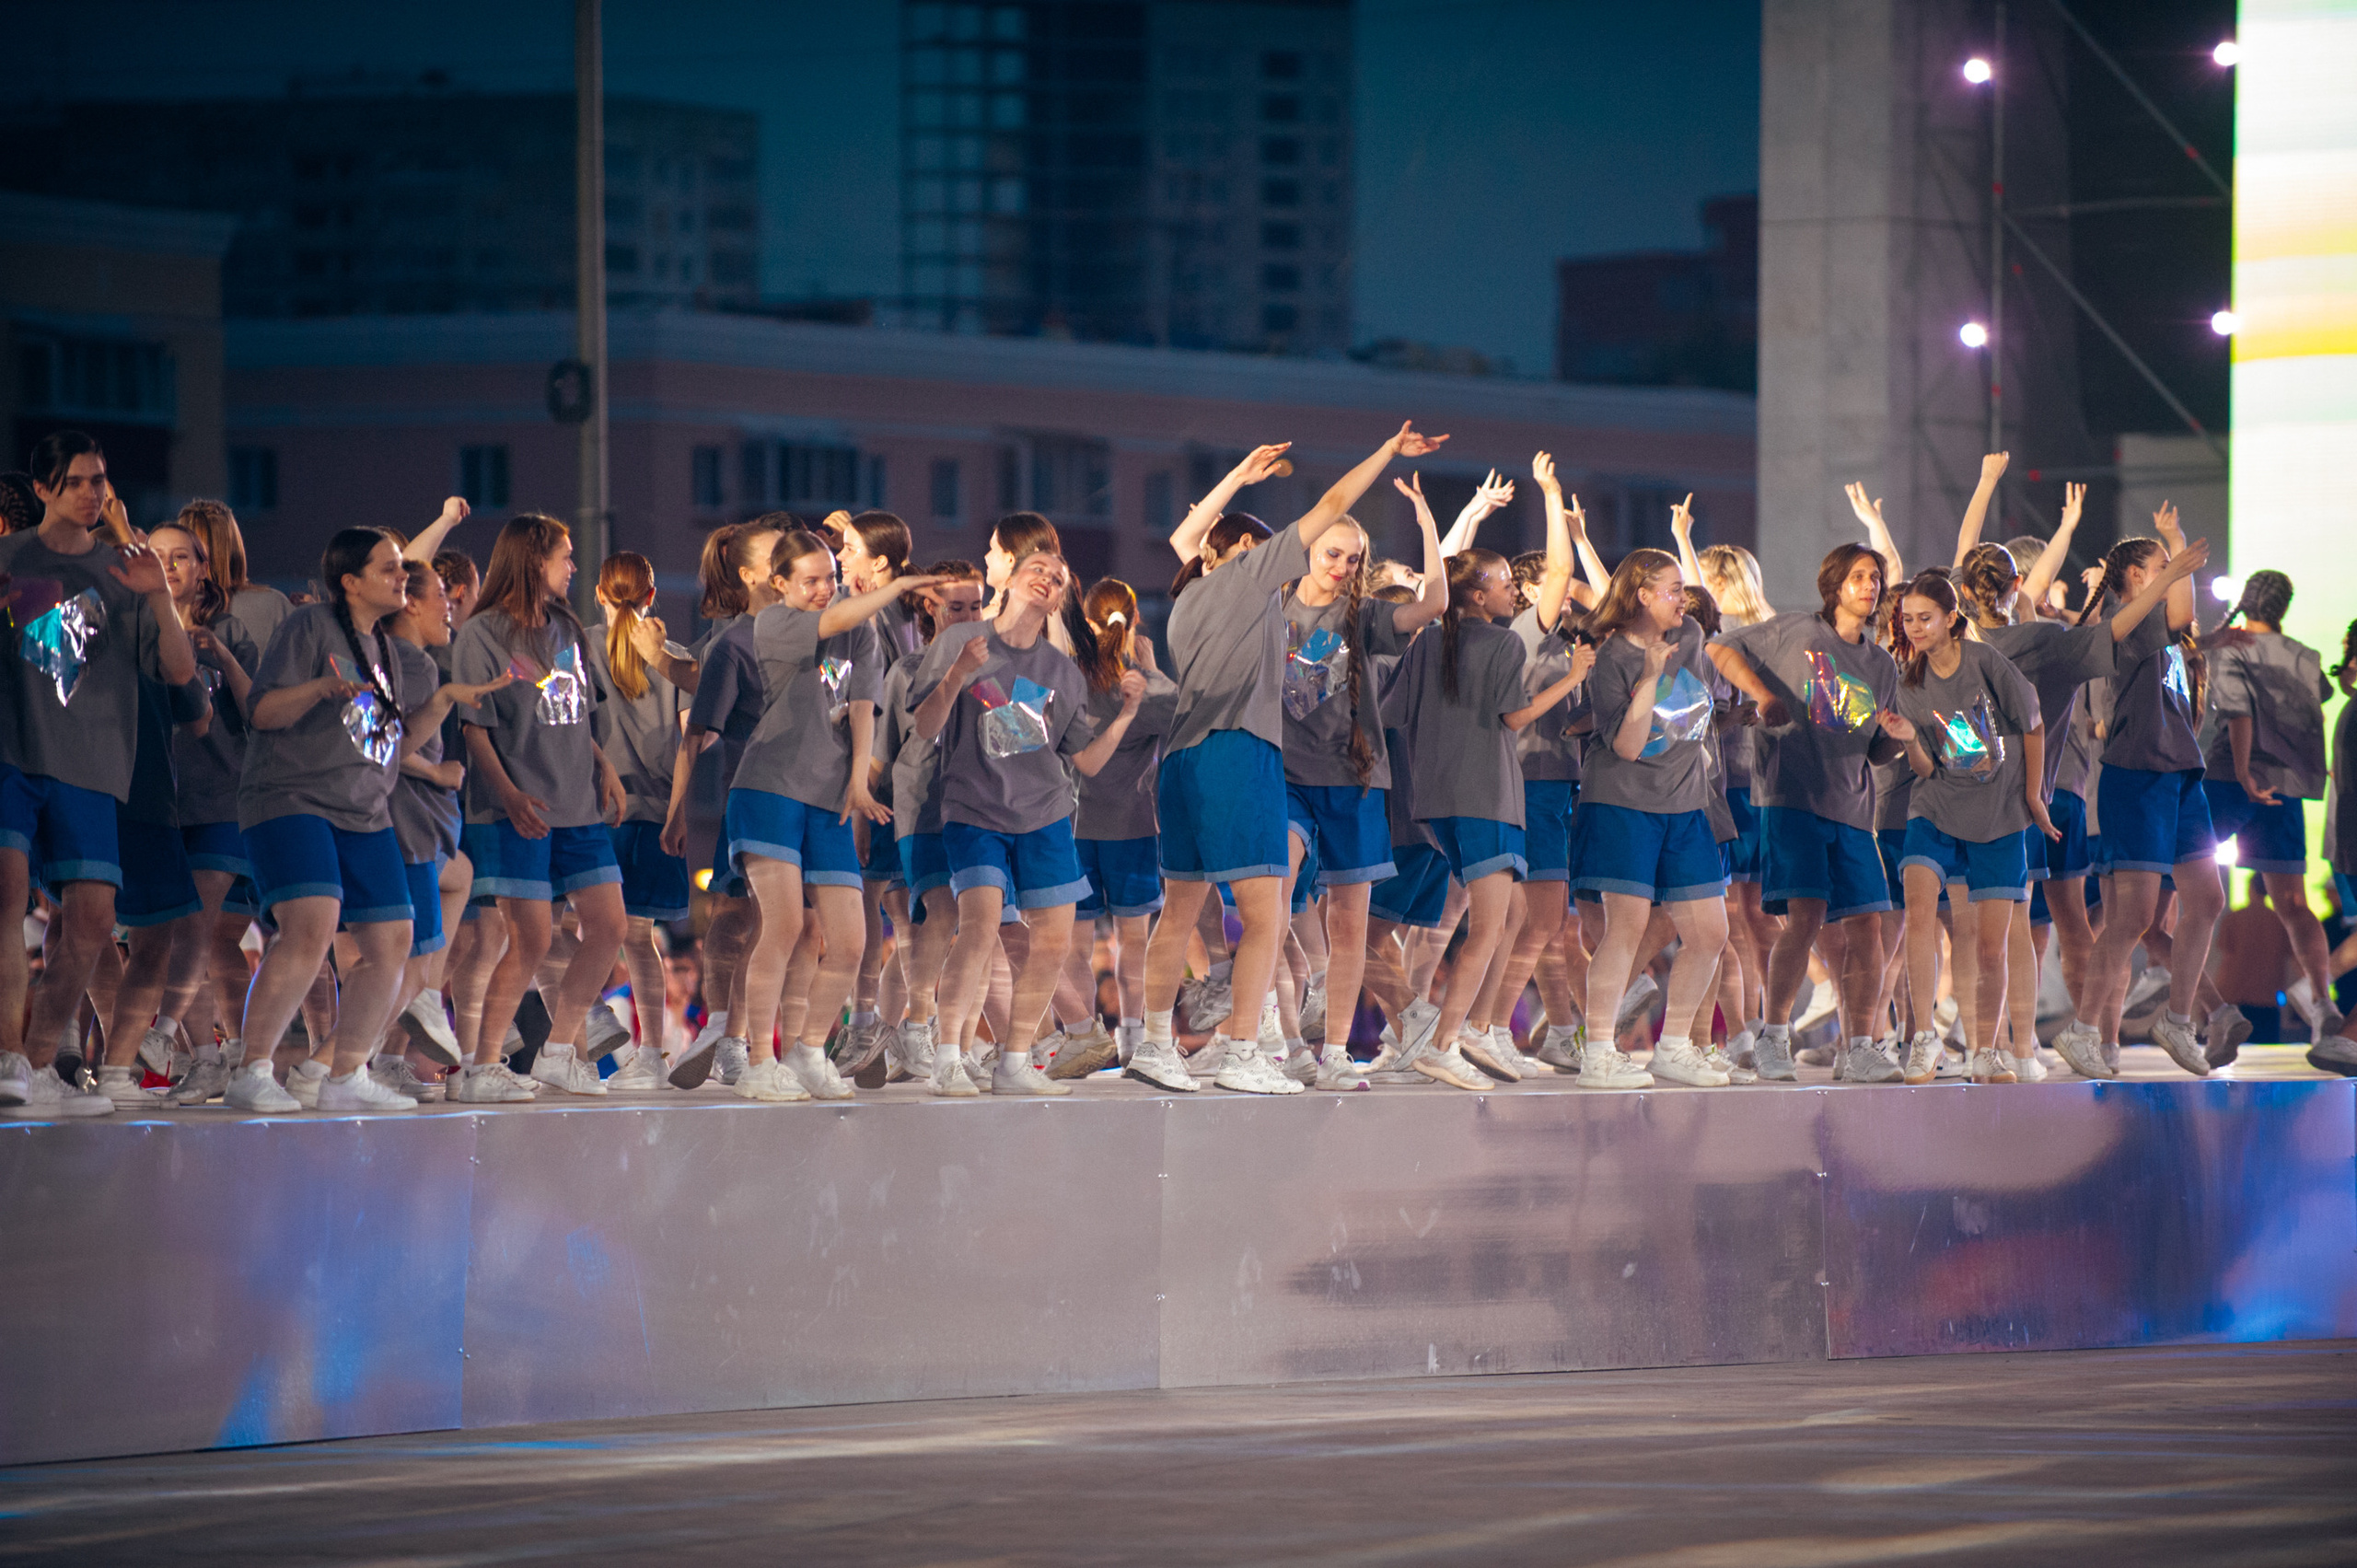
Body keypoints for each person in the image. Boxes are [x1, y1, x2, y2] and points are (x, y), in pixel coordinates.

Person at [1128, 424, 1447, 1097]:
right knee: (1267, 913)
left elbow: (1186, 540)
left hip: (1181, 756)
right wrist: (1385, 451)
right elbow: (1331, 501)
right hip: (1237, 753)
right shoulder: (1250, 579)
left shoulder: (1188, 593)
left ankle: (1155, 1044)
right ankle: (1246, 1048)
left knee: (1180, 910)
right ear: (1246, 549)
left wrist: (1240, 477)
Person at [226, 528, 506, 1112]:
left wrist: (445, 697)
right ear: (350, 582)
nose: (401, 576)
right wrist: (322, 686)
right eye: (388, 569)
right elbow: (262, 711)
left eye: (402, 569)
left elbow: (396, 742)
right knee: (311, 924)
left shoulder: (386, 652)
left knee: (394, 942)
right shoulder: (309, 629)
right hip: (292, 797)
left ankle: (346, 1073)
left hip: (362, 810)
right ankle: (251, 1070)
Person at [1952, 491, 2204, 1078]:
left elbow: (1987, 567)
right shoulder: (2030, 640)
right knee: (2019, 928)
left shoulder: (2015, 640)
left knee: (2016, 927)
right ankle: (2020, 1045)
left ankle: (2035, 1044)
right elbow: (2107, 623)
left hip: (2029, 795)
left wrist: (1995, 490)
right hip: (2020, 799)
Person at [0, 431, 198, 1118]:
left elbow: (179, 672)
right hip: (14, 755)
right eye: (78, 481)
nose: (93, 494)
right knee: (10, 893)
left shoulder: (124, 570)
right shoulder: (9, 560)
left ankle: (37, 1060)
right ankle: (8, 1058)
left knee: (90, 921)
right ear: (45, 488)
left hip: (93, 767)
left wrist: (160, 597)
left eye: (100, 481)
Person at [912, 546, 1146, 1095]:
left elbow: (1083, 759)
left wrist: (1129, 714)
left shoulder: (1061, 671)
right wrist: (957, 675)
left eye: (1058, 578)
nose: (1048, 579)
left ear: (1061, 597)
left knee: (1052, 942)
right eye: (1037, 570)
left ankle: (1015, 1061)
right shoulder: (959, 642)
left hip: (1044, 813)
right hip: (974, 809)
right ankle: (948, 1056)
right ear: (1010, 580)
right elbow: (924, 728)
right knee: (979, 925)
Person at [721, 530, 932, 1102]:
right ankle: (758, 1063)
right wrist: (901, 587)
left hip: (831, 798)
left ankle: (809, 1051)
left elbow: (864, 708)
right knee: (785, 929)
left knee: (851, 942)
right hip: (770, 789)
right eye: (809, 580)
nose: (822, 590)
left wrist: (861, 781)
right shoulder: (776, 624)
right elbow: (833, 623)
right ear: (781, 584)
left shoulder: (860, 633)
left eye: (830, 580)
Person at [1707, 541, 1908, 1083]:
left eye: (1876, 578)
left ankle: (1860, 1043)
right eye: (1860, 576)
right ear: (1835, 585)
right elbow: (1720, 648)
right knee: (1806, 920)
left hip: (1852, 808)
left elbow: (1874, 750)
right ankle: (1774, 1036)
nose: (1870, 586)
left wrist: (1898, 741)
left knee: (1869, 925)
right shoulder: (1795, 630)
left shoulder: (1881, 662)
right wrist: (1760, 695)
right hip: (1792, 800)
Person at [1271, 469, 1446, 1089]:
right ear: (1308, 551)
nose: (1341, 565)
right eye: (1331, 553)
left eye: (1353, 557)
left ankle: (1336, 1052)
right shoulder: (1272, 608)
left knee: (1350, 922)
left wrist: (1427, 523)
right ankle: (1276, 1036)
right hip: (1285, 776)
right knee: (1275, 893)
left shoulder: (1364, 616)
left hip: (1354, 780)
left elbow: (1434, 604)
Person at [1390, 547, 1590, 1088]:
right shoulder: (1502, 642)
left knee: (1513, 915)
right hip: (1487, 797)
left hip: (1439, 801)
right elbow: (1514, 716)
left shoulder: (1426, 642)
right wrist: (1572, 678)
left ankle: (1478, 1026)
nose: (1513, 592)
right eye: (1504, 583)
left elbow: (1392, 712)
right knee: (1488, 928)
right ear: (1478, 596)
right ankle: (1443, 1042)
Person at [453, 514, 630, 1098]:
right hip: (515, 807)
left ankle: (558, 1050)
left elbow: (579, 715)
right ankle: (481, 1067)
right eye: (565, 557)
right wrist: (507, 796)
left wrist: (604, 767)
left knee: (610, 926)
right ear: (534, 561)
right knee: (527, 940)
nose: (573, 568)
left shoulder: (566, 627)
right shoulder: (481, 635)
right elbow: (475, 729)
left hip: (578, 804)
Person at [2057, 505, 2224, 1077]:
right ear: (2133, 577)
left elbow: (2181, 611)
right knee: (2132, 917)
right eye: (2156, 566)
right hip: (2137, 774)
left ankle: (2178, 1020)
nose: (2169, 572)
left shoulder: (2162, 622)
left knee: (2207, 899)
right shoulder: (2125, 621)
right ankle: (2083, 1031)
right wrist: (2171, 561)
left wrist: (2173, 542)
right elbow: (2172, 611)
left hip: (2180, 773)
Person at [1883, 569, 2049, 1085]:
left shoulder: (1984, 662)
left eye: (1924, 618)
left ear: (1951, 619)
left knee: (1988, 945)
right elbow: (1928, 768)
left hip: (1998, 816)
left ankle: (1987, 1049)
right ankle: (1923, 1035)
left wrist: (2031, 797)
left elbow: (2033, 724)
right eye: (1907, 619)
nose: (1914, 627)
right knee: (1918, 909)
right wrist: (1910, 738)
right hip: (1934, 810)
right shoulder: (1908, 680)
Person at [1572, 548, 1730, 1088]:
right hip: (1623, 802)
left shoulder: (1693, 640)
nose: (1682, 599)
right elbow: (1629, 746)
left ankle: (1676, 1046)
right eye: (1671, 589)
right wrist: (1650, 677)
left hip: (1685, 805)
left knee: (1710, 931)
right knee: (1627, 927)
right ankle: (1596, 1053)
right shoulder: (1611, 655)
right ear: (1641, 594)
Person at [2195, 570, 2355, 1065]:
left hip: (2230, 777)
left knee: (2189, 894)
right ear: (2285, 607)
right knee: (2293, 904)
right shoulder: (2306, 657)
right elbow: (2325, 696)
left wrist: (2243, 769)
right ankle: (2324, 1004)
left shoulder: (2231, 644)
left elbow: (2237, 711)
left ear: (2248, 602)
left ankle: (2201, 1008)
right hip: (2285, 787)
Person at [661, 519, 785, 1088]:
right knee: (743, 918)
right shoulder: (732, 641)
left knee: (784, 926)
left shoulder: (816, 630)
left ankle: (747, 1038)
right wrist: (678, 810)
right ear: (752, 573)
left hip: (810, 800)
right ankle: (728, 1035)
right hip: (753, 799)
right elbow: (698, 728)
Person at [149, 519, 264, 1107]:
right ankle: (208, 1057)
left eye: (181, 557)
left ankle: (170, 1033)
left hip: (221, 799)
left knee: (196, 926)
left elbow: (259, 712)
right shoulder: (136, 634)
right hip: (157, 804)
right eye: (158, 556)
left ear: (202, 569)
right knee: (164, 935)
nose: (169, 567)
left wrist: (217, 650)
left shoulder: (230, 634)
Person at [1490, 453, 1596, 1076]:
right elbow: (1559, 569)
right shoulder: (1529, 629)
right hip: (1532, 782)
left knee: (1536, 924)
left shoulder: (1553, 642)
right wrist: (1551, 493)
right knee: (1536, 922)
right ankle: (1487, 1027)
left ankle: (1559, 1030)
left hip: (1548, 783)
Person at [586, 550, 697, 1089]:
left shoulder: (578, 648)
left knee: (564, 927)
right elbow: (691, 744)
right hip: (655, 814)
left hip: (592, 814)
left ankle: (585, 1024)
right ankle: (650, 1053)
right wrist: (678, 815)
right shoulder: (672, 654)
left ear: (599, 593)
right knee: (638, 937)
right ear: (651, 595)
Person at [875, 561, 989, 1082]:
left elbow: (1018, 735)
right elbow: (884, 757)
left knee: (980, 931)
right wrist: (862, 817)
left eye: (975, 606)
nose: (967, 616)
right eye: (955, 606)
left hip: (981, 809)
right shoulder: (908, 670)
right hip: (922, 806)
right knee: (938, 915)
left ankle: (958, 1045)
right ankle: (914, 1026)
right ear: (930, 606)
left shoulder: (999, 666)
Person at [1068, 576, 1178, 1072]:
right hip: (1133, 826)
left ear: (1086, 623)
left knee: (1072, 942)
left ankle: (1080, 1034)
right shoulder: (1141, 684)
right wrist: (1153, 669)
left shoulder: (1067, 675)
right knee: (1133, 942)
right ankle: (1133, 1039)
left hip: (1071, 827)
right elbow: (1187, 715)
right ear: (1135, 622)